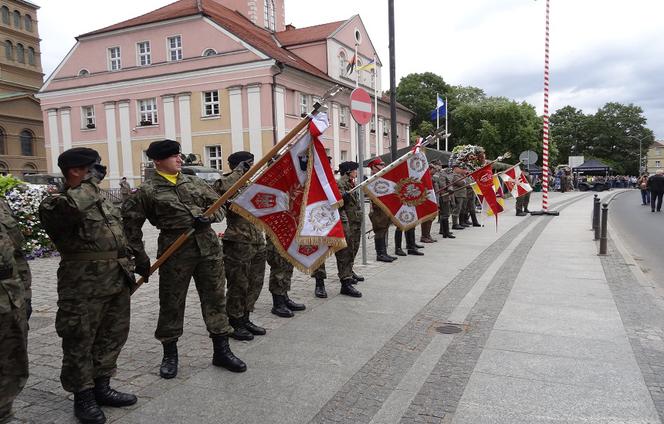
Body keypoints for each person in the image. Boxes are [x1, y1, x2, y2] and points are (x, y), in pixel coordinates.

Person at [122, 139, 246, 381]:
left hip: (208, 248)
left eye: (179, 155)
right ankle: (170, 354)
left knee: (215, 298)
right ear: (158, 161)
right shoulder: (148, 191)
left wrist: (206, 218)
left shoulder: (194, 181)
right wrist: (140, 258)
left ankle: (221, 350)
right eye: (173, 156)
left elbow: (220, 208)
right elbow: (130, 227)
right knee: (171, 302)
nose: (179, 159)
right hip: (174, 251)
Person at [39, 148, 136, 424]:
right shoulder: (56, 203)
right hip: (82, 284)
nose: (98, 173)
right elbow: (71, 210)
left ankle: (102, 386)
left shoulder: (100, 201)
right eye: (94, 168)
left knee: (112, 335)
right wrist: (90, 185)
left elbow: (117, 233)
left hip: (115, 279)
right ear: (75, 171)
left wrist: (134, 258)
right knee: (80, 339)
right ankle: (83, 396)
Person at [214, 151, 267, 340]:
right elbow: (218, 191)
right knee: (239, 284)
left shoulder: (250, 184)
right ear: (238, 165)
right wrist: (238, 173)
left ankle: (245, 317)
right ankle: (234, 322)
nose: (251, 167)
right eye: (248, 164)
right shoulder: (229, 182)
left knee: (255, 282)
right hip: (238, 241)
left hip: (257, 240)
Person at [0, 200, 31, 423]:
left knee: (11, 360)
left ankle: (4, 413)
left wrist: (26, 295)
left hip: (10, 297)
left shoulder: (0, 204)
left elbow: (17, 255)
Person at [266, 237, 306, 318]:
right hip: (276, 234)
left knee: (287, 266)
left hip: (288, 234)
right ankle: (278, 303)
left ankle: (284, 298)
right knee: (279, 267)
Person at [367, 157, 397, 262]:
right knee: (379, 231)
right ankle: (380, 254)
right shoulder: (373, 179)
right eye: (380, 165)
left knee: (384, 230)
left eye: (383, 165)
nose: (383, 167)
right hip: (378, 209)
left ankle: (384, 252)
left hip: (384, 208)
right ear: (373, 167)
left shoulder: (381, 177)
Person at [434, 162, 456, 239]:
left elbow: (449, 183)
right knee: (443, 214)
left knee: (445, 214)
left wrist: (450, 189)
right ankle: (444, 232)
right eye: (438, 164)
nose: (439, 166)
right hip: (439, 196)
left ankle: (445, 231)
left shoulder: (443, 173)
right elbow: (439, 185)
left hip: (445, 195)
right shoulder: (436, 174)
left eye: (440, 164)